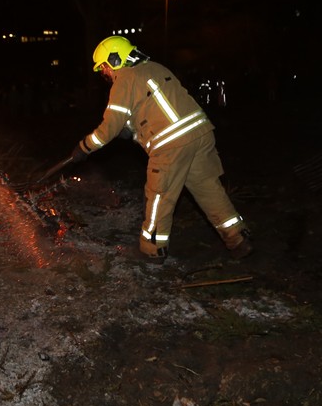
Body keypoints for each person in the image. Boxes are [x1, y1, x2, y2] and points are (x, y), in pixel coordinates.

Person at [61, 36, 252, 263]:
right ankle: (238, 239)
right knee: (208, 189)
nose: (105, 74)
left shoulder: (125, 78)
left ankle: (152, 250)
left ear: (114, 60)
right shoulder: (155, 68)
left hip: (172, 144)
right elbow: (157, 106)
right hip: (201, 133)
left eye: (104, 68)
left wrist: (84, 147)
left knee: (159, 196)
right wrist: (130, 129)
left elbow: (109, 127)